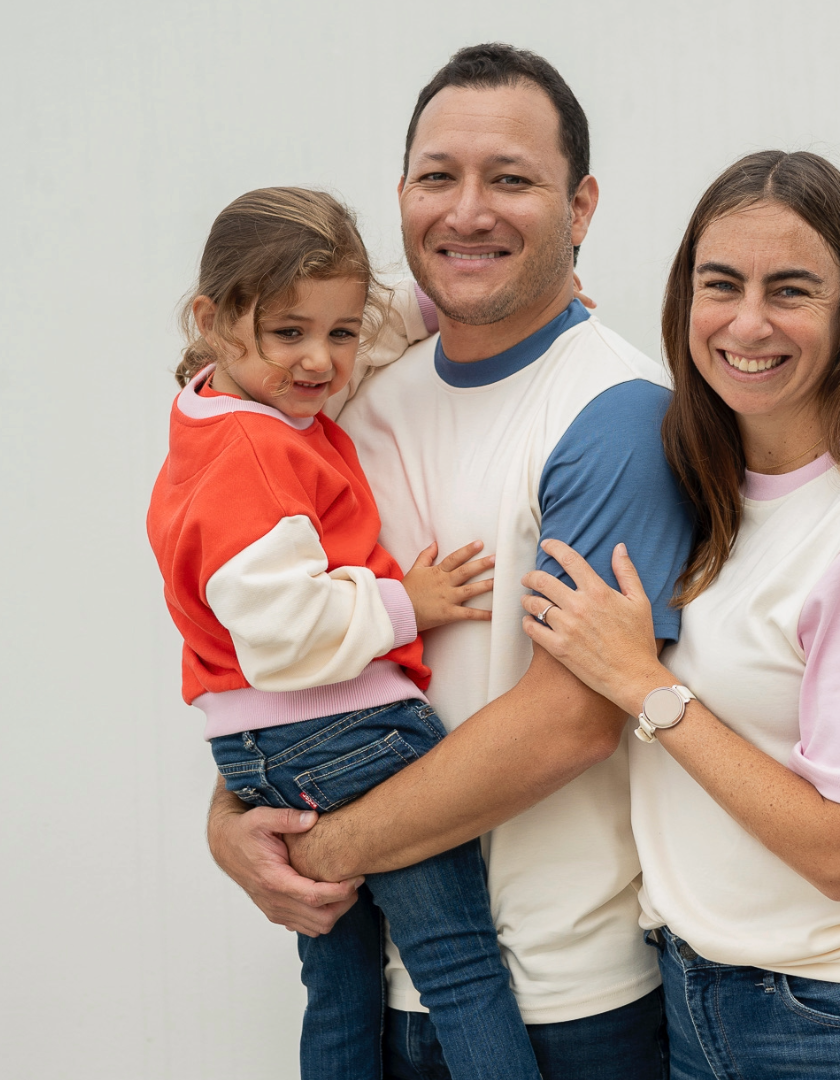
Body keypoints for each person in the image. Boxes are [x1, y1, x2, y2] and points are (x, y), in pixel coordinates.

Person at [206, 45, 693, 1080]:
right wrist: (231, 824)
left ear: (582, 206)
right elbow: (281, 638)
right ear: (401, 196)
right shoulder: (349, 394)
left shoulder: (614, 414)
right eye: (439, 177)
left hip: (561, 1005)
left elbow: (571, 721)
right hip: (363, 987)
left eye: (511, 178)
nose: (467, 211)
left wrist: (322, 848)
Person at [518, 150, 840, 1079]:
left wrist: (645, 686)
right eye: (722, 285)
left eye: (790, 290)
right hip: (702, 998)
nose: (748, 323)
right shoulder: (713, 488)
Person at [147, 186, 546, 1080]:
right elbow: (284, 632)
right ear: (214, 320)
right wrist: (406, 601)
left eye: (339, 331)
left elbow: (364, 334)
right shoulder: (259, 454)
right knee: (460, 965)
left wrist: (439, 301)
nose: (324, 363)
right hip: (347, 728)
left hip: (256, 750)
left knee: (339, 985)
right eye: (291, 333)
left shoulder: (220, 411)